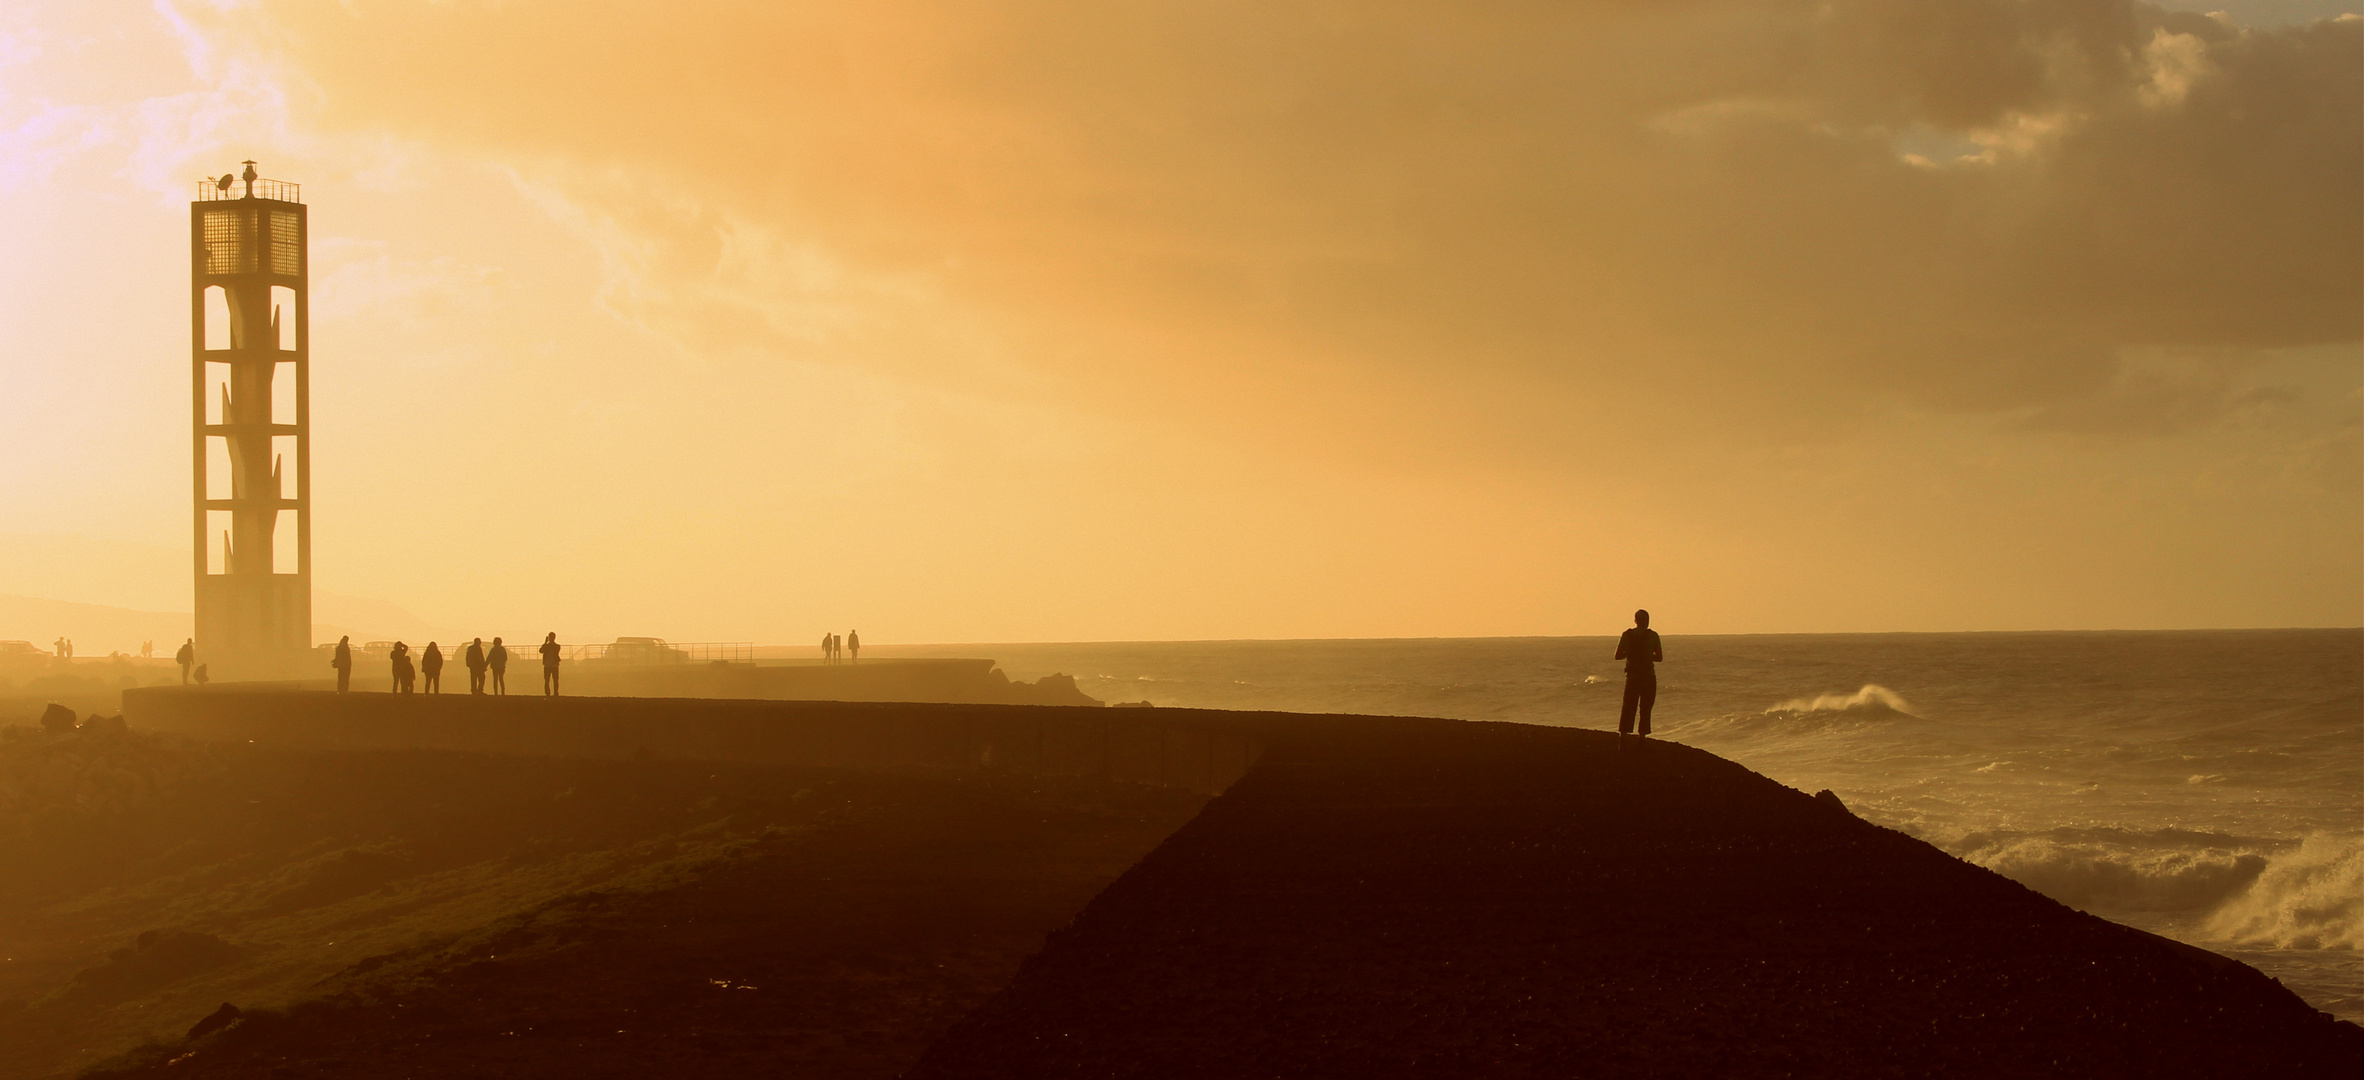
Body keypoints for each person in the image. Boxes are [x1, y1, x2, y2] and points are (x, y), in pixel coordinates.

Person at [1614, 609, 1664, 742]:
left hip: (1632, 676)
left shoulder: (1627, 635)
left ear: (1635, 621)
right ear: (1647, 621)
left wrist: (1630, 653)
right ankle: (1642, 738)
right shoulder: (1653, 636)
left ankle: (1623, 737)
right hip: (1648, 676)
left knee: (1628, 707)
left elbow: (1617, 656)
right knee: (1646, 708)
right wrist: (1647, 655)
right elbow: (1659, 658)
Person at [540, 632, 562, 697]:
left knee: (555, 680)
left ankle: (555, 693)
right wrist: (545, 643)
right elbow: (541, 651)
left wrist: (547, 644)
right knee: (547, 681)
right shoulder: (546, 646)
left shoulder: (557, 646)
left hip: (554, 665)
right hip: (547, 665)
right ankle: (547, 693)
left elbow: (556, 650)